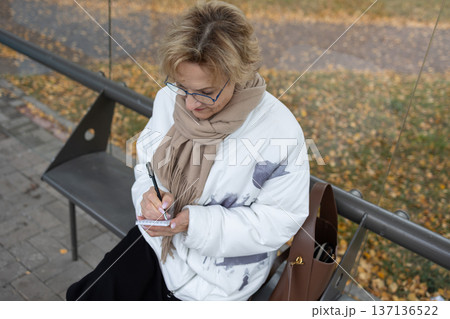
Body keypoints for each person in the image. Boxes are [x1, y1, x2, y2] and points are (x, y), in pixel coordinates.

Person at [66, 0, 309, 301]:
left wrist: (195, 223)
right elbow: (147, 165)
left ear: (239, 72)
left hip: (221, 279)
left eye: (207, 92)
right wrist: (147, 198)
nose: (191, 104)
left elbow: (280, 220)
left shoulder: (280, 130)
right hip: (157, 247)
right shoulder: (169, 99)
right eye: (183, 86)